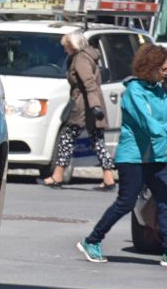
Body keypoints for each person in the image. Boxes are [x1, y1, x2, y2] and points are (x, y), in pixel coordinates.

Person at [76, 43, 167, 266]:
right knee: (126, 202)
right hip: (133, 157)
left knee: (164, 201)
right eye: (164, 68)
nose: (166, 72)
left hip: (157, 156)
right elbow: (149, 124)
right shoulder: (134, 91)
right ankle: (92, 240)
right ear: (151, 67)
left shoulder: (160, 91)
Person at [42, 30, 116, 190]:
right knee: (98, 141)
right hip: (90, 104)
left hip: (84, 105)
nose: (64, 49)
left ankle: (57, 176)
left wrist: (94, 106)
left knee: (66, 139)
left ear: (73, 45)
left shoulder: (81, 59)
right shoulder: (87, 56)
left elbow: (89, 83)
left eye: (66, 46)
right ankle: (109, 177)